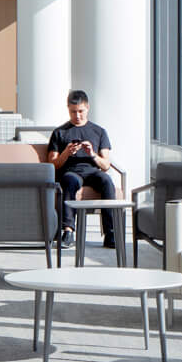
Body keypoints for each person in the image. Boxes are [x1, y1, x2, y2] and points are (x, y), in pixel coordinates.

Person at [44, 89, 121, 248]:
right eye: (73, 112)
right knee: (69, 181)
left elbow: (106, 165)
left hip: (93, 172)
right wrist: (66, 153)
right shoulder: (59, 132)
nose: (77, 115)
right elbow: (52, 164)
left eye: (81, 111)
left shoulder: (99, 132)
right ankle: (68, 231)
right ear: (68, 109)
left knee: (107, 181)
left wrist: (92, 153)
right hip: (71, 172)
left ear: (87, 108)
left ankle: (110, 233)